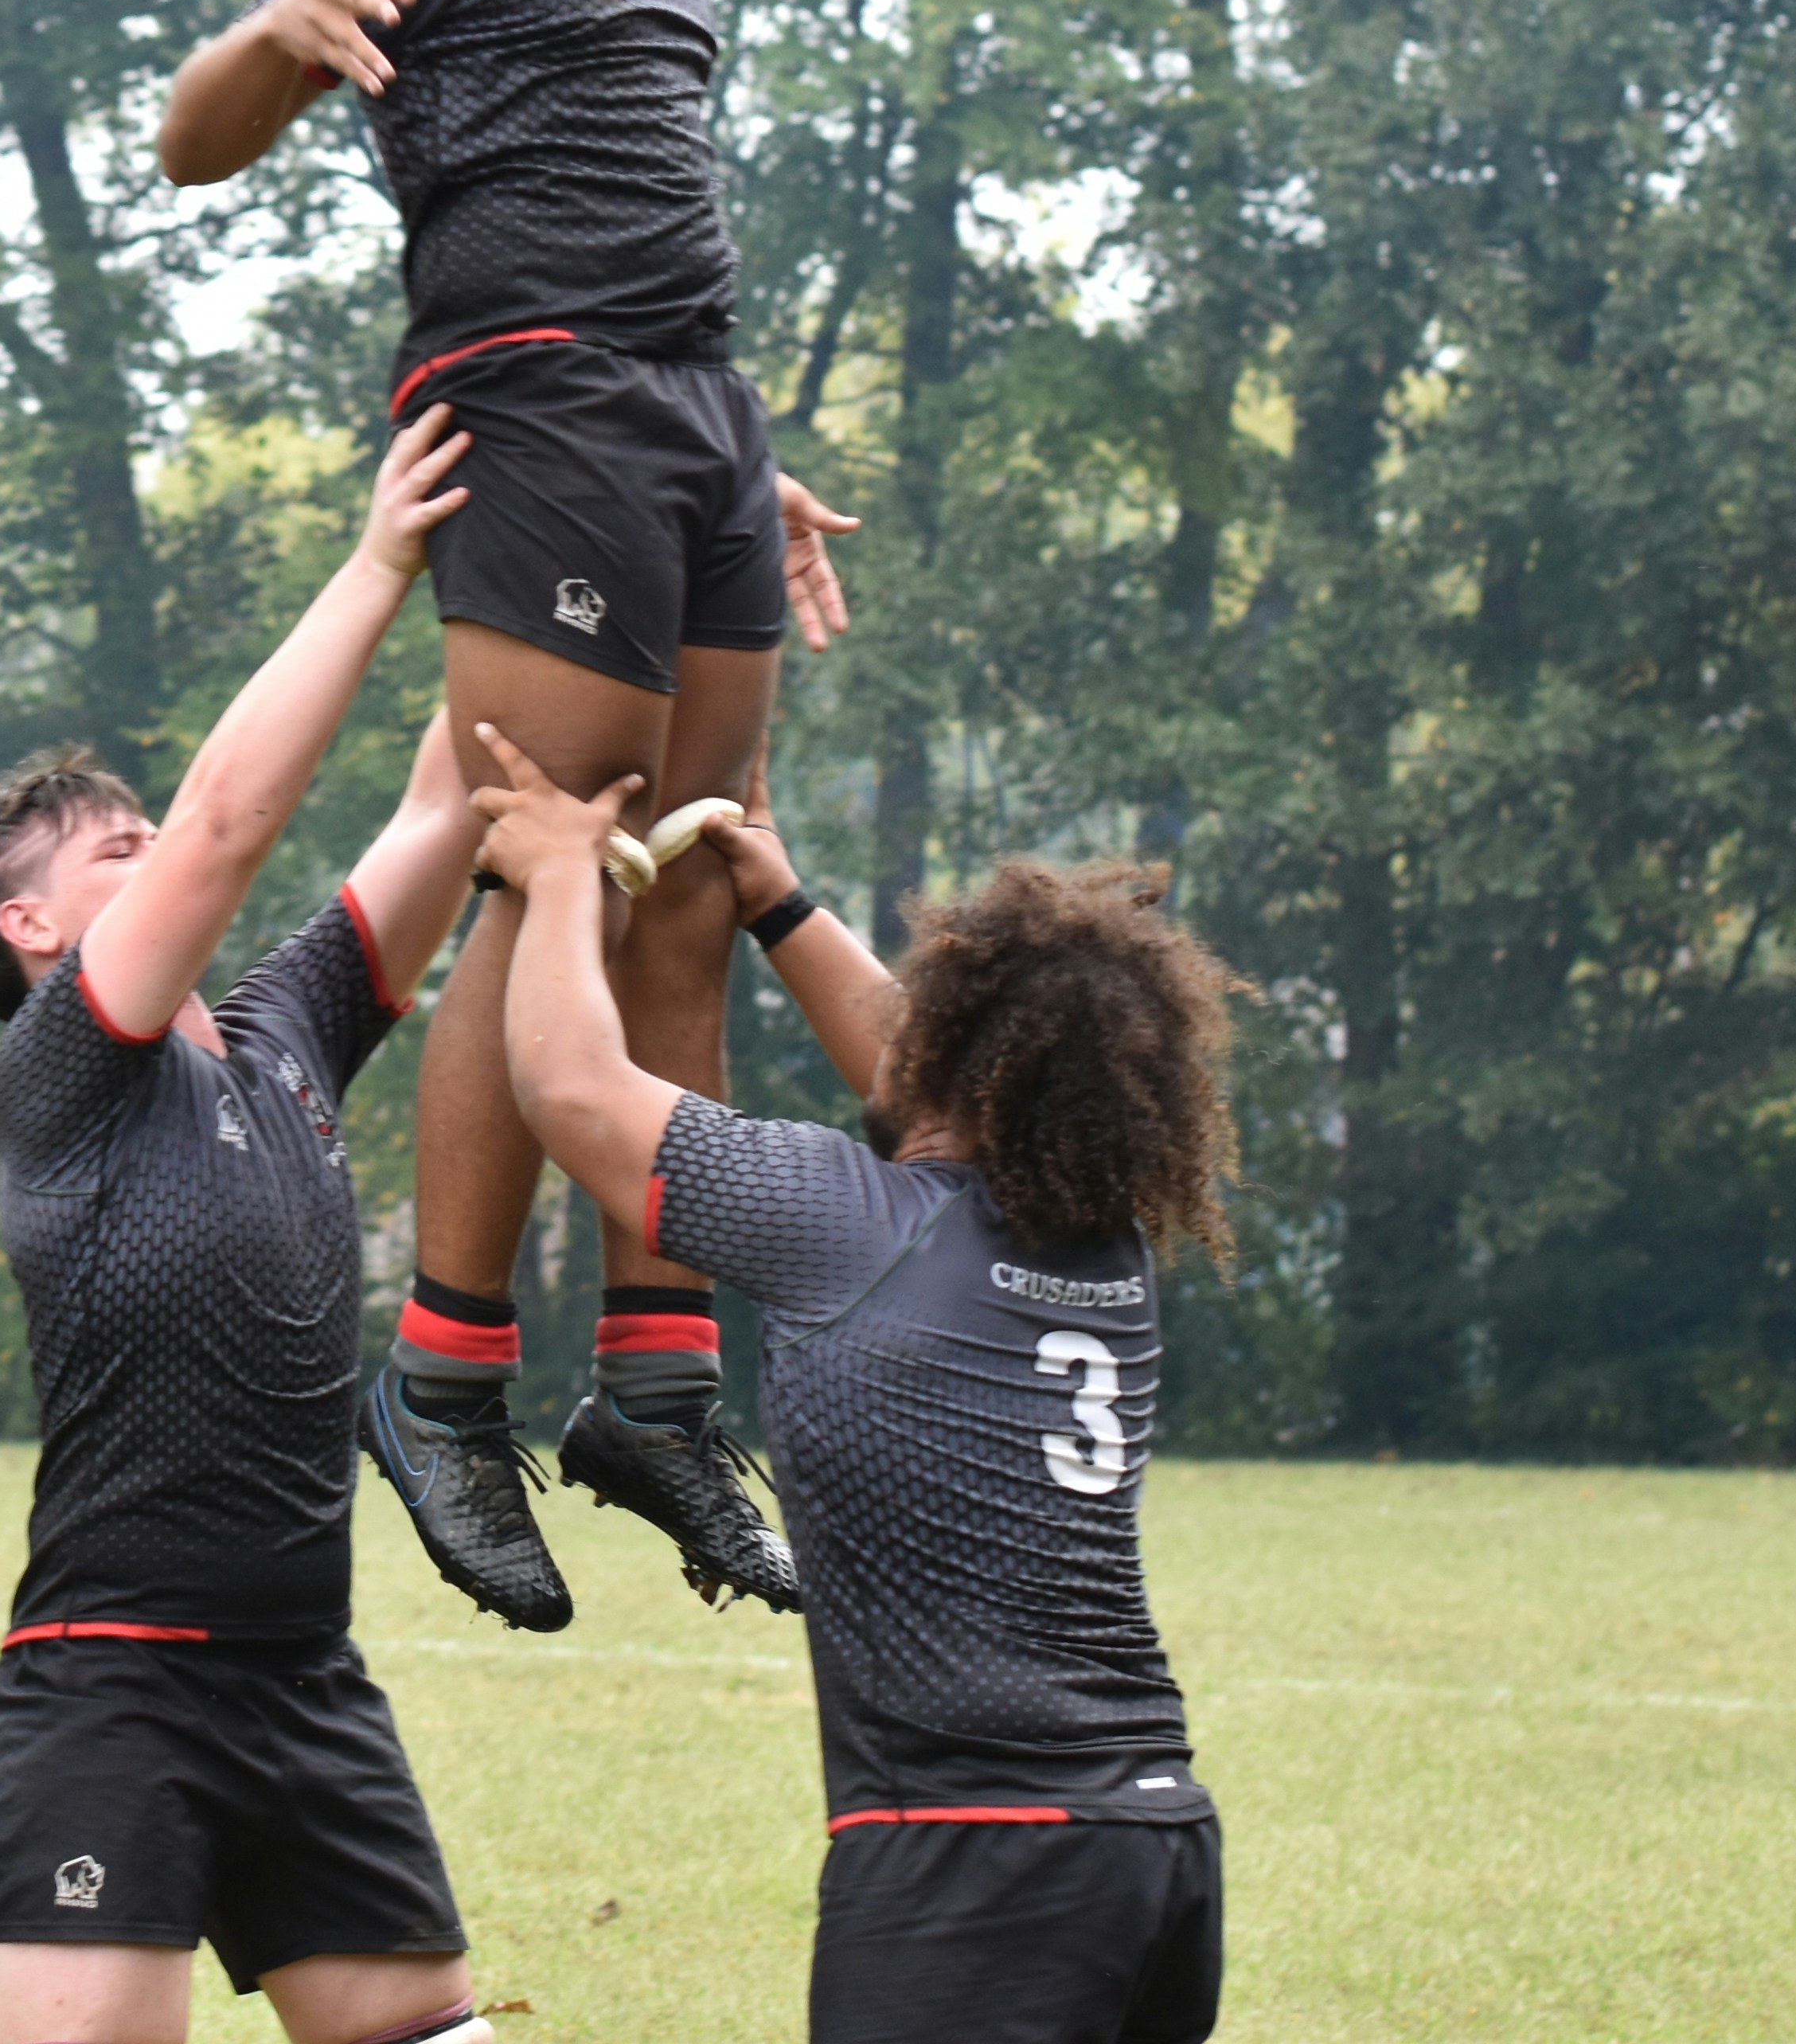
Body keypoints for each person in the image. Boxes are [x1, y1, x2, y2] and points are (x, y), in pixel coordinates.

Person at [154, 0, 850, 1630]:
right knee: (530, 862)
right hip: (531, 409)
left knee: (698, 881)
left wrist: (746, 446)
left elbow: (643, 202)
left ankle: (656, 1396)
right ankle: (445, 1379)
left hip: (693, 417)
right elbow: (197, 137)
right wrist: (283, 34)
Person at [474, 740, 1235, 2044]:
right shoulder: (1101, 1243)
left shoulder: (846, 1224)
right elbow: (921, 1074)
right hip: (1154, 1847)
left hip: (975, 1866)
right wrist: (777, 903)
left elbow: (571, 1088)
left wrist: (555, 878)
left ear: (953, 1057)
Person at [0, 412, 494, 2044]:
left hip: (307, 1682)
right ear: (31, 925)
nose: (157, 844)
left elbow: (449, 797)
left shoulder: (284, 1033)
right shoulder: (59, 1077)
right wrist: (380, 556)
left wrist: (543, 527)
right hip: (114, 1683)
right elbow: (233, 818)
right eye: (117, 847)